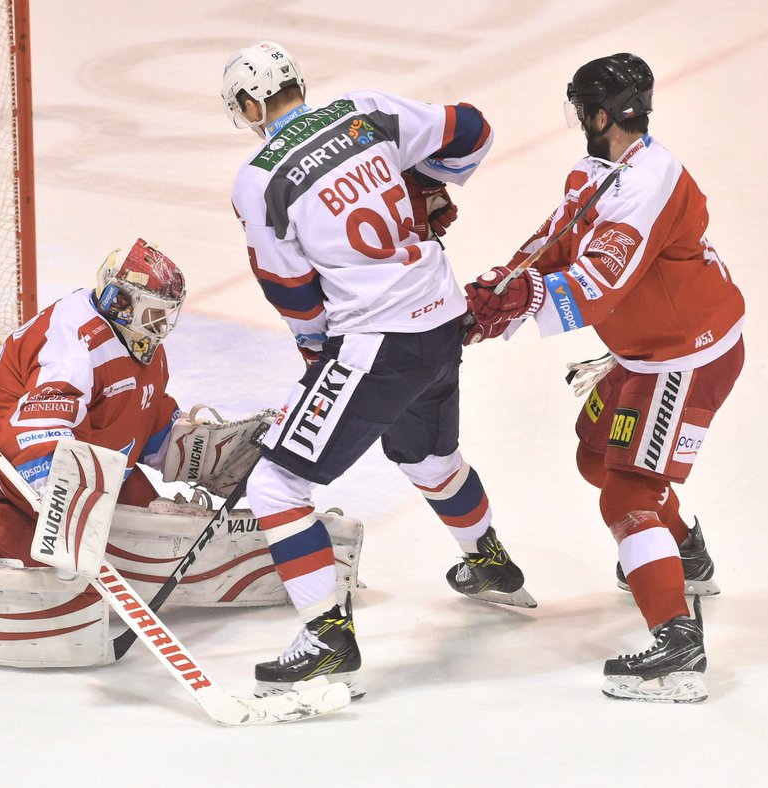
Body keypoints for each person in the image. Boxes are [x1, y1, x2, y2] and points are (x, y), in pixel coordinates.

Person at [221, 40, 535, 699]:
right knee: (427, 458)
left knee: (277, 486)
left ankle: (327, 638)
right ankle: (489, 562)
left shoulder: (259, 178)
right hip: (441, 322)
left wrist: (317, 359)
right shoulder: (364, 111)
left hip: (375, 342)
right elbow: (472, 130)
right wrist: (428, 183)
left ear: (251, 104)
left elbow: (291, 288)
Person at [465, 53, 745, 703]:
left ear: (598, 113)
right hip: (645, 353)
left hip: (684, 357)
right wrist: (504, 283)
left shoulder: (650, 184)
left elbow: (596, 287)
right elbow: (559, 238)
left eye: (579, 109)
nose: (577, 122)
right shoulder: (600, 169)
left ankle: (678, 649)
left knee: (625, 494)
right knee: (595, 456)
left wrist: (523, 299)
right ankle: (684, 552)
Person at [0, 238, 187, 564]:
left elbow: (138, 412)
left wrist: (185, 443)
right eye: (154, 313)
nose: (163, 325)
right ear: (121, 302)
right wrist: (63, 497)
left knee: (161, 541)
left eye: (169, 314)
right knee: (43, 564)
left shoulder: (142, 344)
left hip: (87, 466)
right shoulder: (74, 344)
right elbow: (37, 430)